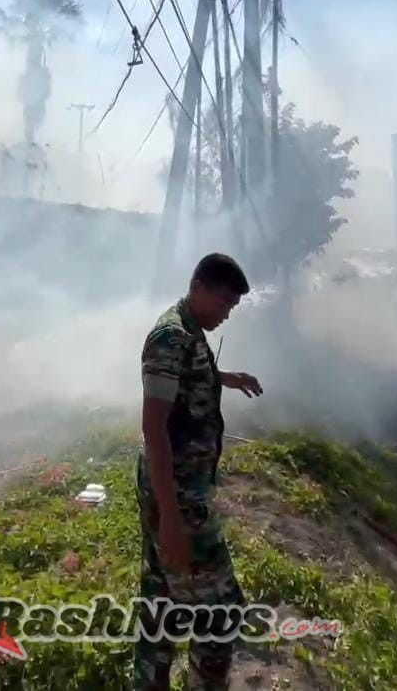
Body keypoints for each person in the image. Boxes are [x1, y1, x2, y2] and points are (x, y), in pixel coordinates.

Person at [134, 253, 263, 690]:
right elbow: (153, 426)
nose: (226, 313)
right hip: (178, 495)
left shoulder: (189, 331)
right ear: (199, 287)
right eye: (224, 302)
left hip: (175, 490)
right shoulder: (171, 336)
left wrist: (222, 376)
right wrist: (170, 517)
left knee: (161, 601)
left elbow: (184, 382)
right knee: (222, 612)